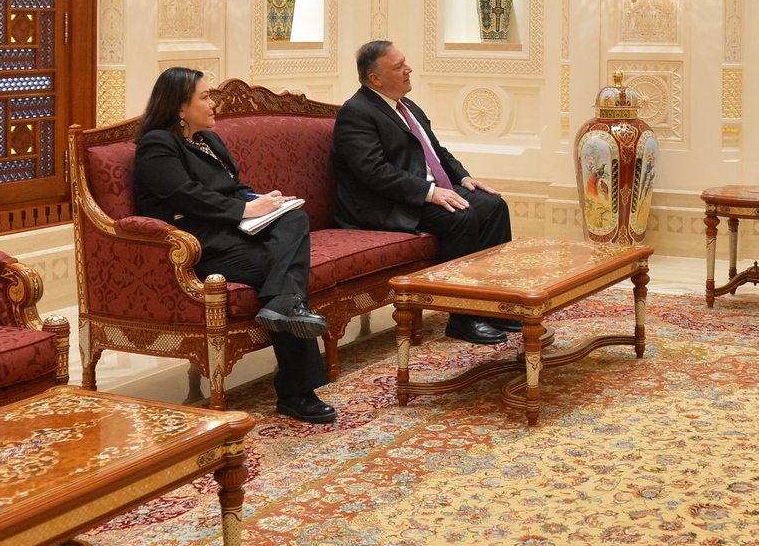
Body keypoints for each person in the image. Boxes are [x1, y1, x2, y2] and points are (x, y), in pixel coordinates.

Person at [132, 67, 338, 424]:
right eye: (205, 96)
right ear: (180, 108)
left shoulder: (210, 141)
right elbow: (185, 195)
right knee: (283, 277)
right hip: (196, 246)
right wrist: (245, 208)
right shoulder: (158, 145)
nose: (214, 104)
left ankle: (285, 310)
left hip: (234, 232)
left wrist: (265, 201)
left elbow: (234, 188)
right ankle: (296, 391)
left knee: (294, 219)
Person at [333, 40, 513, 345]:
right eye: (398, 66)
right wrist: (429, 193)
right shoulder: (357, 112)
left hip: (423, 192)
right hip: (386, 204)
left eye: (405, 61)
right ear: (375, 78)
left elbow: (436, 150)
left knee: (494, 206)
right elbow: (372, 172)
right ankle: (462, 318)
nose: (408, 69)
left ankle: (494, 306)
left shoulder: (407, 106)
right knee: (461, 217)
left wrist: (465, 178)